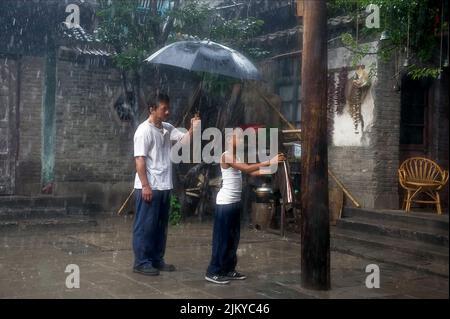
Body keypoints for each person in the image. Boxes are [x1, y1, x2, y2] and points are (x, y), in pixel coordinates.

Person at [205, 129, 285, 284]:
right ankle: (213, 271)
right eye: (239, 137)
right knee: (222, 239)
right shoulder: (226, 155)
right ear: (230, 139)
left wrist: (274, 167)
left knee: (233, 238)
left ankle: (228, 269)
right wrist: (270, 160)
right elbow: (247, 169)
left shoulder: (238, 156)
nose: (242, 139)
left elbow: (252, 173)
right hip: (225, 203)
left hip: (234, 202)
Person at [133, 93, 200, 276]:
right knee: (145, 225)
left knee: (160, 226)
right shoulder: (143, 131)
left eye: (168, 108)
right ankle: (141, 262)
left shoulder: (167, 128)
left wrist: (193, 129)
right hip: (149, 187)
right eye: (164, 108)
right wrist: (145, 186)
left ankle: (156, 259)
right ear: (152, 109)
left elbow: (184, 142)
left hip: (164, 185)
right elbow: (140, 161)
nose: (168, 111)